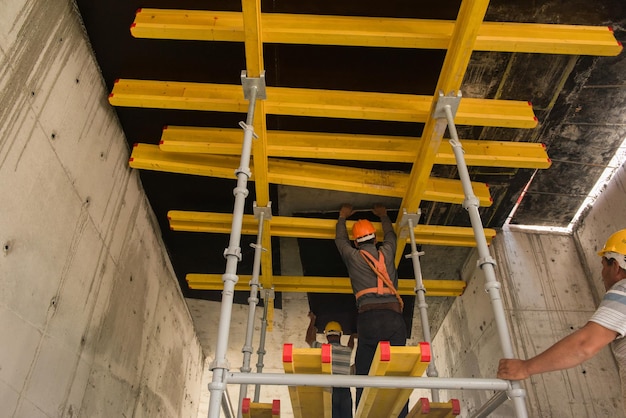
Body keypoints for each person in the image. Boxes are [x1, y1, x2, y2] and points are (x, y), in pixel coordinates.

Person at [498, 229, 626, 409]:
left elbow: (584, 344)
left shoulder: (623, 290)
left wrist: (525, 367)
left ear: (617, 266)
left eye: (604, 264)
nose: (602, 272)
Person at [335, 203, 408, 417]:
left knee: (364, 371)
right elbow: (391, 235)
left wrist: (342, 217)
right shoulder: (387, 250)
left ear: (356, 242)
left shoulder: (353, 256)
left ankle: (363, 412)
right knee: (396, 372)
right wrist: (384, 215)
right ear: (375, 239)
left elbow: (340, 240)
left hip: (369, 318)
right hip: (394, 319)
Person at [306, 312, 355, 418]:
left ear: (326, 336)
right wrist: (352, 335)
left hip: (330, 390)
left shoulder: (323, 349)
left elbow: (309, 339)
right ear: (340, 335)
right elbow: (351, 345)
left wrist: (312, 320)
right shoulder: (347, 350)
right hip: (345, 391)